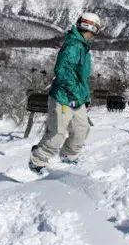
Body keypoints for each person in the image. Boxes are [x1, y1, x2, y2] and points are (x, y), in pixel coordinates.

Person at [29, 12, 101, 174]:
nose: (95, 35)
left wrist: (84, 96)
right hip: (63, 98)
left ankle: (69, 155)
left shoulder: (82, 47)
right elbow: (62, 73)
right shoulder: (73, 46)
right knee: (57, 133)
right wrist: (75, 95)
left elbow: (80, 77)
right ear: (91, 27)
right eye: (95, 30)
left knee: (82, 129)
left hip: (77, 98)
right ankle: (37, 159)